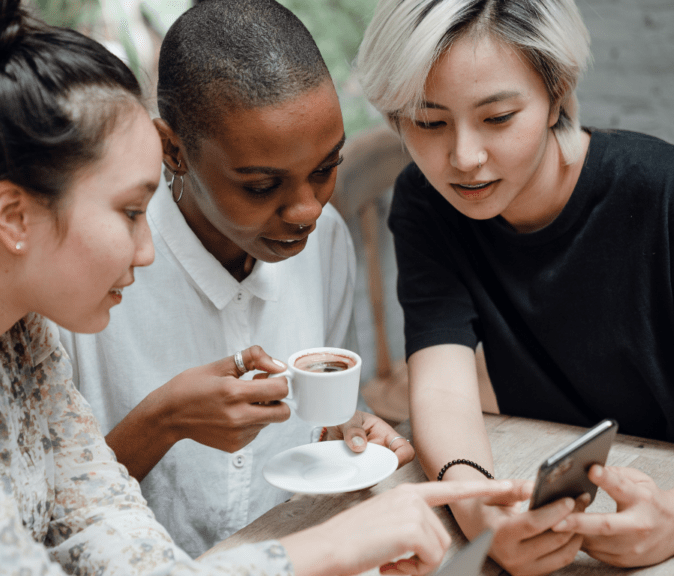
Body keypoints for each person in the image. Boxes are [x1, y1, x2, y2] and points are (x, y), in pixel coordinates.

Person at [0, 0, 531, 574]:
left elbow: (108, 534)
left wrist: (341, 541)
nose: (148, 247)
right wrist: (320, 551)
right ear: (13, 214)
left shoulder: (18, 339)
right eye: (132, 211)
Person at [354, 0, 674, 574]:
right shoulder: (427, 202)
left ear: (556, 92)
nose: (463, 158)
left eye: (499, 116)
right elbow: (441, 391)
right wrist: (480, 511)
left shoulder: (673, 197)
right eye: (428, 122)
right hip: (561, 492)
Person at [58, 0, 414, 558]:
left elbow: (321, 432)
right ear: (172, 149)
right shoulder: (91, 276)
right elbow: (42, 520)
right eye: (260, 186)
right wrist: (162, 422)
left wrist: (347, 431)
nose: (306, 211)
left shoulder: (326, 246)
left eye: (325, 169)